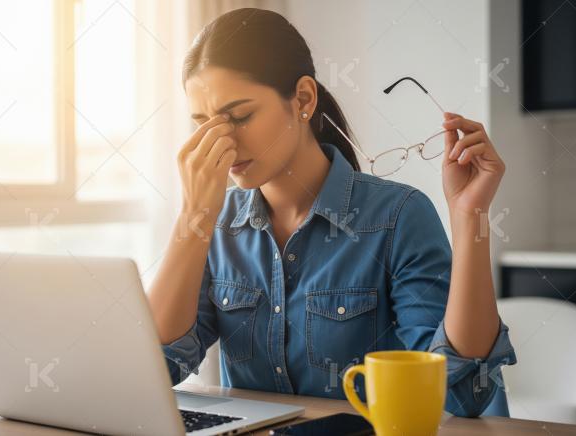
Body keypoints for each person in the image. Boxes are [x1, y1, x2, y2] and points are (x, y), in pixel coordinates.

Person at [147, 8, 516, 417]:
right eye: (202, 123)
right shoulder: (214, 225)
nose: (222, 142)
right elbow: (155, 369)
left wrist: (471, 217)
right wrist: (192, 215)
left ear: (303, 99)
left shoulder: (397, 217)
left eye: (240, 116)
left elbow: (460, 393)